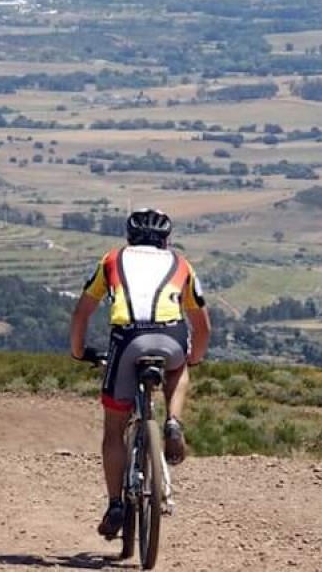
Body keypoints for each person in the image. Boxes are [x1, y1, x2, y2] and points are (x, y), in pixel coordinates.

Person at [69, 208, 211, 540]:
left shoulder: (111, 261)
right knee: (180, 370)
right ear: (166, 240)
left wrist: (78, 352)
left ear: (129, 237)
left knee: (113, 430)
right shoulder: (181, 265)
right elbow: (203, 326)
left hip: (128, 339)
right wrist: (195, 357)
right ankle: (173, 421)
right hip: (171, 337)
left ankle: (116, 503)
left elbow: (81, 314)